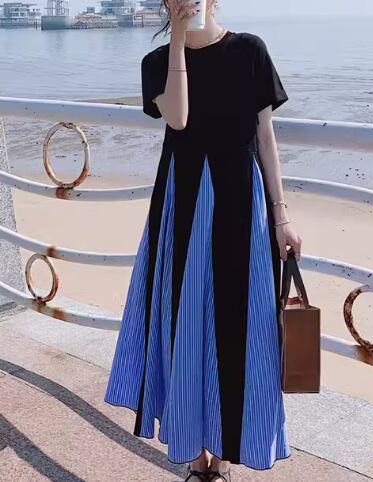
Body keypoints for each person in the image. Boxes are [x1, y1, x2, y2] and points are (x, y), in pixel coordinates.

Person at [104, 0, 302, 480]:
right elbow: (178, 118)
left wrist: (281, 217)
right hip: (184, 200)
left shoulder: (250, 50)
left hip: (242, 200)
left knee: (241, 320)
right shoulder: (156, 61)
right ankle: (196, 457)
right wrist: (177, 38)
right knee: (184, 319)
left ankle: (226, 450)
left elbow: (266, 137)